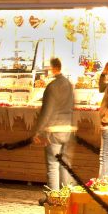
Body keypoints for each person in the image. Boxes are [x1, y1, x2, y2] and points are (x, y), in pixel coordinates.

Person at [33, 57, 75, 197]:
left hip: (54, 130)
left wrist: (38, 131)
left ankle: (54, 198)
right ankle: (66, 196)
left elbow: (47, 111)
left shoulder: (51, 87)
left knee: (53, 165)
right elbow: (72, 106)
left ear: (53, 68)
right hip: (67, 129)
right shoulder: (69, 84)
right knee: (65, 165)